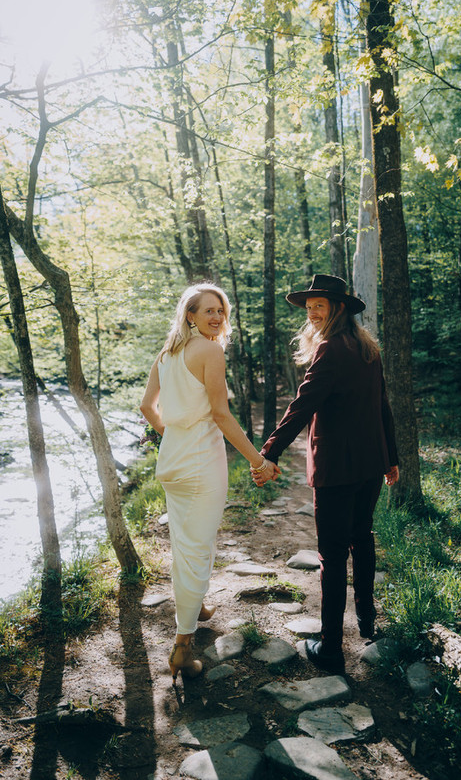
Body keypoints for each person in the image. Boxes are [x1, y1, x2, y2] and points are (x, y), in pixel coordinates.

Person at [252, 274, 399, 675]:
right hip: (369, 464)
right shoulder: (366, 348)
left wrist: (268, 454)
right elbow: (382, 406)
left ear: (339, 308)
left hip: (337, 469)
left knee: (332, 556)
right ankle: (367, 622)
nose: (312, 313)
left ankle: (331, 648)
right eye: (309, 307)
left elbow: (301, 406)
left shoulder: (331, 350)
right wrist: (390, 457)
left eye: (320, 305)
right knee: (361, 539)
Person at [140, 283, 278, 683]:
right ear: (190, 315)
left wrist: (172, 435)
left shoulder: (167, 354)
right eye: (208, 311)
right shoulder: (210, 351)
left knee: (186, 541)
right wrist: (258, 461)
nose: (217, 317)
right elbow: (220, 414)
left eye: (221, 310)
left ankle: (196, 605)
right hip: (201, 463)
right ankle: (183, 647)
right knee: (197, 549)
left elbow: (147, 407)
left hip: (173, 460)